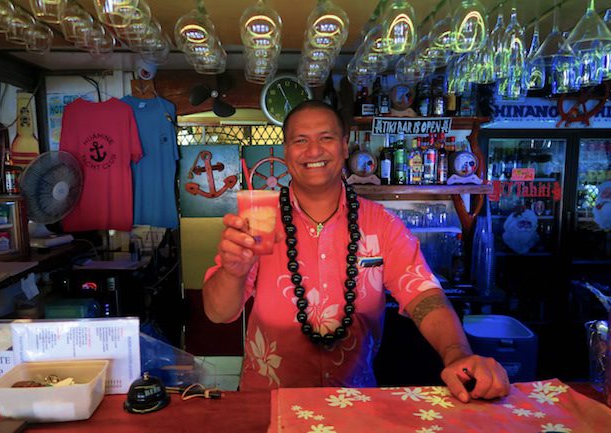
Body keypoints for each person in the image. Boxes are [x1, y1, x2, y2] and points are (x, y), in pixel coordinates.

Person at [202, 100, 509, 402]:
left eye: (326, 138)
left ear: (345, 146)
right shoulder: (259, 222)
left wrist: (457, 355)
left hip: (356, 403)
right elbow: (218, 313)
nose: (313, 151)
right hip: (269, 401)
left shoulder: (382, 225)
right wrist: (233, 272)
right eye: (300, 140)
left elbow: (424, 296)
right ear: (286, 152)